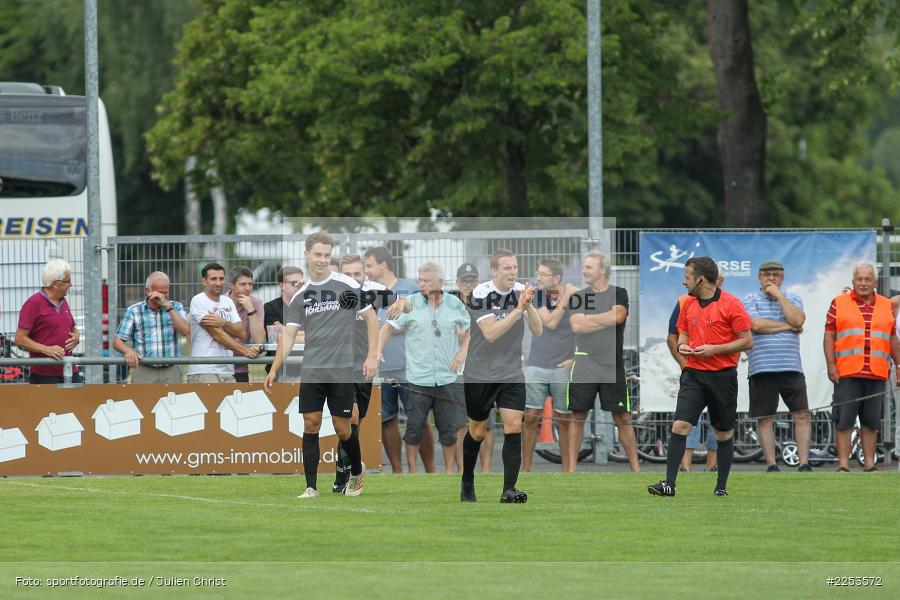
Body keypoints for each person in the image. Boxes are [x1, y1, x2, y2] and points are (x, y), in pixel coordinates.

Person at [264, 232, 378, 498]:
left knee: (343, 428)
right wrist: (274, 367)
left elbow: (371, 320)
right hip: (313, 370)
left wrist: (372, 355)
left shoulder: (346, 284)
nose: (322, 260)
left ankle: (357, 473)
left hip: (341, 370)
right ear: (306, 255)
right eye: (317, 254)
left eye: (327, 255)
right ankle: (311, 487)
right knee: (310, 424)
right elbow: (289, 335)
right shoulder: (301, 295)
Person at [648, 257, 752, 497]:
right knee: (680, 425)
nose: (683, 282)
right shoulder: (688, 304)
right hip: (693, 374)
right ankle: (669, 484)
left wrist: (714, 349)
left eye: (687, 277)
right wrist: (683, 346)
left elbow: (747, 341)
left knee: (723, 432)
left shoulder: (732, 304)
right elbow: (682, 334)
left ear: (701, 279)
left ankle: (721, 488)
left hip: (723, 377)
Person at [460, 248, 542, 503]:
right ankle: (467, 482)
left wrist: (527, 307)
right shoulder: (480, 295)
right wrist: (518, 309)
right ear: (494, 271)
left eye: (514, 267)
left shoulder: (520, 292)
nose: (512, 272)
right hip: (480, 373)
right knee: (477, 432)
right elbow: (491, 333)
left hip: (511, 371)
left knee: (513, 426)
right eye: (507, 268)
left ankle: (508, 489)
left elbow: (538, 331)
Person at [379, 262, 470, 473]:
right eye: (419, 280)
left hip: (447, 377)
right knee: (414, 428)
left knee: (449, 429)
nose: (421, 284)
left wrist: (462, 351)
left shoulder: (454, 304)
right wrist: (377, 350)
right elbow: (387, 327)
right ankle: (412, 471)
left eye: (426, 281)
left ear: (440, 282)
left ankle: (447, 471)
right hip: (418, 378)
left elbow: (469, 330)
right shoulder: (410, 304)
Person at [364, 246, 435, 472]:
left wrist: (390, 326)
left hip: (410, 367)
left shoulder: (410, 288)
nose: (366, 270)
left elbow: (425, 320)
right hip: (382, 368)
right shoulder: (368, 290)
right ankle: (397, 470)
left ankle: (431, 470)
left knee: (420, 419)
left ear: (383, 264)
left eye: (369, 265)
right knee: (387, 420)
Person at [823, 262, 900, 472]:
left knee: (872, 421)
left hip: (877, 372)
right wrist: (831, 365)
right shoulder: (838, 303)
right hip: (847, 372)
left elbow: (893, 338)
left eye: (868, 279)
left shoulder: (886, 305)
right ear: (853, 282)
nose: (863, 283)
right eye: (859, 279)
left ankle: (869, 464)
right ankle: (843, 465)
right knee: (844, 419)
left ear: (875, 282)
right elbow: (829, 336)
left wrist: (899, 365)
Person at [568, 252, 640, 472]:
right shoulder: (579, 296)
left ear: (603, 270)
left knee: (622, 416)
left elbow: (618, 316)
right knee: (578, 415)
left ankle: (636, 469)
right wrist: (603, 319)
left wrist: (590, 319)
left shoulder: (619, 293)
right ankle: (570, 470)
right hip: (584, 363)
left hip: (612, 363)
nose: (584, 270)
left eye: (589, 267)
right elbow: (577, 326)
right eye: (584, 267)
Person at [742, 260, 812, 472]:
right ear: (759, 277)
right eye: (766, 275)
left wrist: (779, 297)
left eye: (775, 275)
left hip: (791, 366)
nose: (770, 278)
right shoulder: (749, 299)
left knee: (801, 414)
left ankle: (804, 463)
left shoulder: (793, 298)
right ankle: (771, 464)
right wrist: (787, 327)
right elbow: (755, 325)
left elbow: (798, 320)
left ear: (782, 278)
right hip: (761, 367)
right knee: (765, 418)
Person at [332, 254, 390, 492]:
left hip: (365, 366)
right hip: (341, 366)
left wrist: (400, 304)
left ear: (365, 274)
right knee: (351, 417)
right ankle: (345, 477)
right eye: (348, 274)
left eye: (357, 273)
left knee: (356, 425)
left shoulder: (375, 290)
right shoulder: (332, 293)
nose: (353, 278)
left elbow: (408, 304)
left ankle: (343, 470)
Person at [522, 258, 578, 472]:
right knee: (530, 418)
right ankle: (525, 470)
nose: (538, 277)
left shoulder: (575, 298)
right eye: (537, 273)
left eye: (542, 274)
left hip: (562, 368)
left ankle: (567, 471)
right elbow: (551, 321)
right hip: (537, 365)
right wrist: (567, 294)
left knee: (564, 419)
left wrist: (575, 358)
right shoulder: (536, 297)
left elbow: (583, 328)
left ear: (556, 278)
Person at [666, 278, 724, 472]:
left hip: (719, 374)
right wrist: (685, 364)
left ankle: (712, 466)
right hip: (693, 373)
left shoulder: (728, 303)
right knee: (687, 420)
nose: (684, 282)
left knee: (719, 421)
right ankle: (685, 467)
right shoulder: (684, 302)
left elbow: (740, 339)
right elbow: (672, 337)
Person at [186, 262, 260, 384]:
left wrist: (223, 323)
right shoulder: (199, 300)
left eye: (221, 279)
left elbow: (241, 332)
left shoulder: (227, 302)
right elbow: (216, 334)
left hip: (227, 369)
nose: (218, 283)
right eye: (213, 279)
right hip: (205, 369)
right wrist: (245, 351)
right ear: (204, 281)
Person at [113, 271, 190, 383]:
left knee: (173, 400)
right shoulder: (134, 310)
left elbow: (185, 331)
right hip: (144, 369)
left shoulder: (176, 307)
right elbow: (117, 341)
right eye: (159, 292)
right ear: (147, 291)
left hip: (171, 369)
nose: (163, 296)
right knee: (142, 401)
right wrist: (128, 351)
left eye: (166, 292)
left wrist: (169, 308)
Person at [15, 259, 82, 384]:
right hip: (44, 375)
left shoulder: (63, 302)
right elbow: (20, 339)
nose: (70, 285)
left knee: (79, 403)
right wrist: (46, 349)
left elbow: (72, 327)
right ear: (55, 284)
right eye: (67, 281)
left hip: (70, 369)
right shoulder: (33, 303)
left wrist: (76, 336)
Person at [453, 263, 488, 472]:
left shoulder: (484, 303)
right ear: (457, 283)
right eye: (465, 280)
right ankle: (463, 469)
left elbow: (482, 332)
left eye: (472, 280)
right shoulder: (450, 304)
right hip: (457, 372)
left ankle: (485, 469)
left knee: (485, 425)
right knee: (460, 424)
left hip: (482, 370)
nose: (469, 284)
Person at [263, 266, 305, 381]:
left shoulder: (309, 306)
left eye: (300, 283)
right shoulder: (271, 307)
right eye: (293, 283)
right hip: (280, 369)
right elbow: (277, 337)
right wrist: (305, 335)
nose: (298, 287)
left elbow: (316, 335)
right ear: (281, 286)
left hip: (306, 369)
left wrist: (289, 333)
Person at [227, 266, 266, 383]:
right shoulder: (220, 302)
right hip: (220, 367)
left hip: (241, 368)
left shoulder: (256, 303)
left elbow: (260, 339)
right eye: (243, 284)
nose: (248, 288)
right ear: (231, 285)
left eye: (250, 284)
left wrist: (250, 310)